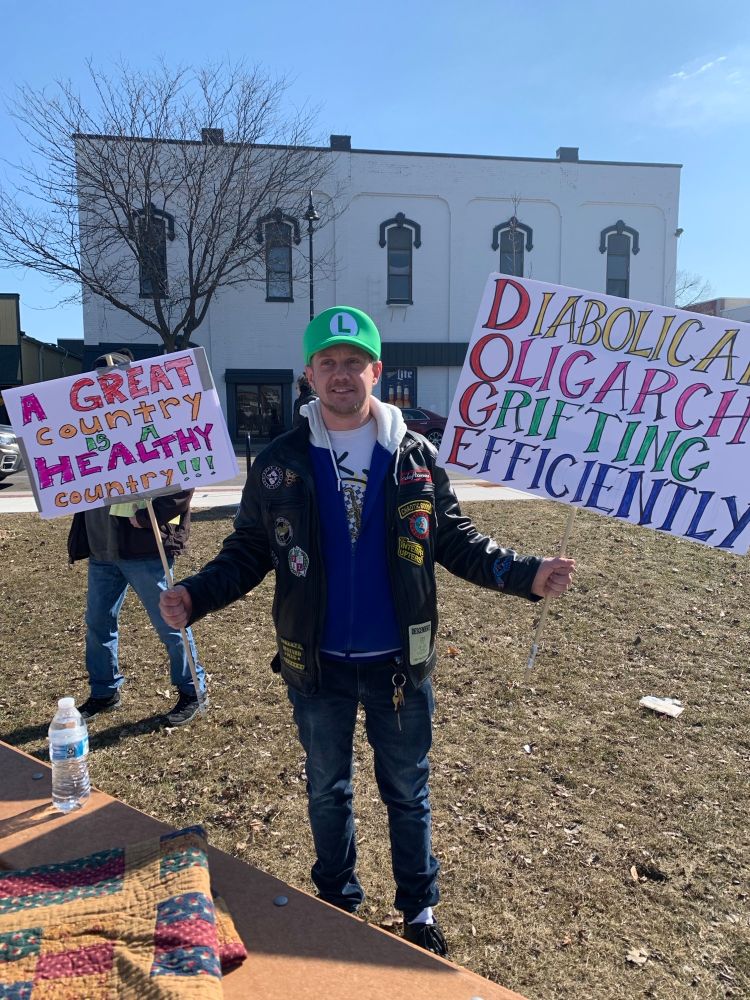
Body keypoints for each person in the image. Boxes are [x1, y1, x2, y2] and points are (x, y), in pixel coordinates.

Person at [160, 307, 574, 954]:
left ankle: (419, 908)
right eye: (328, 362)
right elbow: (248, 550)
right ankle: (337, 902)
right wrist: (194, 594)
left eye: (354, 361)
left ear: (376, 371)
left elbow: (456, 540)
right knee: (328, 787)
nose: (341, 374)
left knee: (407, 790)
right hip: (316, 664)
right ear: (309, 374)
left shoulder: (415, 456)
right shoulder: (279, 463)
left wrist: (526, 574)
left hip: (399, 665)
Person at [69, 350, 206, 728]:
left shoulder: (157, 423)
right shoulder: (83, 430)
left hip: (144, 550)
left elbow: (184, 477)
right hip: (102, 548)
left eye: (115, 379)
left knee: (171, 621)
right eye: (100, 382)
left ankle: (193, 689)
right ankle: (104, 690)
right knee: (98, 621)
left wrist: (150, 518)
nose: (107, 387)